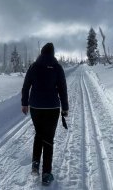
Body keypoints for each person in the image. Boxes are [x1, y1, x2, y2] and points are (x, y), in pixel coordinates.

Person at [21, 42, 69, 185]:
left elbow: (26, 86)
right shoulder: (57, 67)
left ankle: (35, 164)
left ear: (41, 53)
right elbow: (62, 88)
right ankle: (46, 173)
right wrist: (65, 107)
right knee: (48, 139)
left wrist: (24, 103)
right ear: (53, 53)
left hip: (35, 107)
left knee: (39, 134)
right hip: (52, 108)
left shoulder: (34, 66)